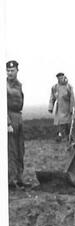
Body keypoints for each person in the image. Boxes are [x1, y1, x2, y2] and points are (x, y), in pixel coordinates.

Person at [7, 60, 29, 189]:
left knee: (20, 149)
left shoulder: (19, 85)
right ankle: (10, 181)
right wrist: (7, 123)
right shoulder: (3, 85)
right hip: (9, 117)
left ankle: (20, 178)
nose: (10, 73)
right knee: (11, 150)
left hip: (18, 117)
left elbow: (21, 101)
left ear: (17, 71)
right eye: (8, 71)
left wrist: (18, 119)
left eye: (12, 70)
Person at [48, 73, 75, 142]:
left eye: (61, 78)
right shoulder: (55, 87)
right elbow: (52, 98)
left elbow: (72, 98)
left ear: (64, 77)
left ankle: (69, 136)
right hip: (59, 108)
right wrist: (50, 107)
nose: (60, 79)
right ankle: (59, 136)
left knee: (67, 123)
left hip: (67, 108)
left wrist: (72, 109)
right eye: (59, 78)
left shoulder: (69, 87)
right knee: (60, 123)